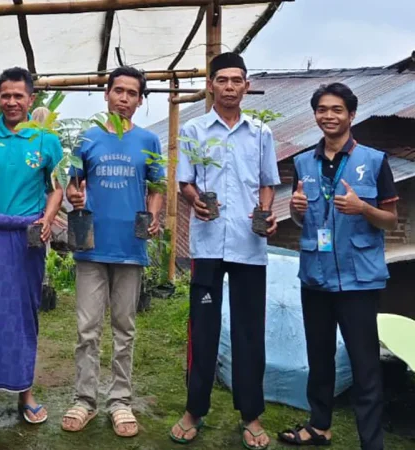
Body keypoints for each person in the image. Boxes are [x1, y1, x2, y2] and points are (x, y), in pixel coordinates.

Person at [278, 83, 396, 450]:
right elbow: (303, 221)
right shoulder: (302, 163)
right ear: (315, 114)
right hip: (315, 277)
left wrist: (364, 209)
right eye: (322, 109)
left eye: (337, 109)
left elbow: (390, 219)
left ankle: (371, 442)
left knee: (365, 366)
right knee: (319, 357)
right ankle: (319, 427)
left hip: (359, 280)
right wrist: (296, 211)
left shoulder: (375, 161)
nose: (329, 116)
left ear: (351, 115)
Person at [170, 52, 279, 448]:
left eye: (237, 80)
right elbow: (186, 182)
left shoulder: (262, 133)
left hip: (250, 244)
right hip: (209, 244)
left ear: (246, 86)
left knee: (250, 330)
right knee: (203, 330)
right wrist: (195, 198)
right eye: (223, 80)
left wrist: (265, 210)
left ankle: (251, 415)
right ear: (211, 85)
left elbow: (268, 182)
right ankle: (194, 409)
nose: (230, 87)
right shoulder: (195, 131)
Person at [61, 66, 164, 438]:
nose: (123, 98)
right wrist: (74, 194)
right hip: (91, 245)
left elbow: (157, 187)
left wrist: (153, 215)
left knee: (125, 328)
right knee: (87, 329)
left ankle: (120, 399)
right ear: (106, 95)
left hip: (130, 247)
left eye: (131, 93)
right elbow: (73, 186)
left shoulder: (149, 141)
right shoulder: (87, 139)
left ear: (140, 100)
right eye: (117, 91)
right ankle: (84, 399)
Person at [0, 67, 63, 425]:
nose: (12, 101)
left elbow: (56, 188)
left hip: (28, 239)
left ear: (31, 98)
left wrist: (48, 219)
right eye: (5, 95)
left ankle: (26, 392)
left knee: (24, 313)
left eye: (19, 95)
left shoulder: (46, 141)